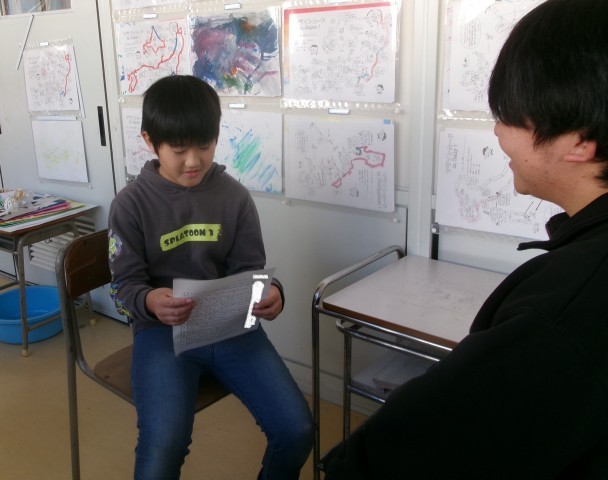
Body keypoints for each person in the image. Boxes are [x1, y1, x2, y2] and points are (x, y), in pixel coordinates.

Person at [323, 0, 608, 478]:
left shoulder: (561, 311)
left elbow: (408, 449)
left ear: (579, 141)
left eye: (512, 118)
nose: (497, 132)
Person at [107, 75, 313, 480]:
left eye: (204, 145)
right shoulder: (130, 204)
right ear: (150, 141)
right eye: (178, 149)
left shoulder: (233, 196)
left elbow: (250, 271)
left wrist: (272, 293)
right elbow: (121, 288)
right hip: (161, 334)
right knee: (163, 445)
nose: (193, 161)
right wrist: (149, 301)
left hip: (230, 326)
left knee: (297, 430)